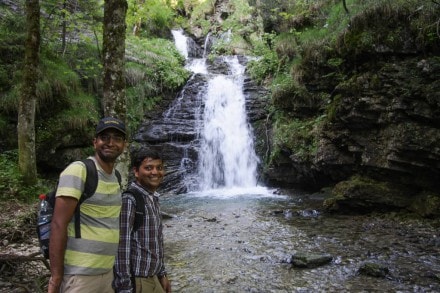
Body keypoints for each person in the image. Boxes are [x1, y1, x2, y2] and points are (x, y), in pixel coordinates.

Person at [48, 117, 127, 293]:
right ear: (95, 142)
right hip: (79, 277)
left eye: (117, 138)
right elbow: (58, 224)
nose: (110, 143)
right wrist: (56, 277)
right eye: (105, 137)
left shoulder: (116, 178)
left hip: (107, 274)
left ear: (124, 145)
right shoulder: (79, 170)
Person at [113, 149, 171, 293]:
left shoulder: (153, 198)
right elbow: (122, 245)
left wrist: (162, 274)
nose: (155, 172)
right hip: (138, 280)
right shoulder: (130, 199)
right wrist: (125, 286)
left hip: (154, 276)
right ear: (136, 171)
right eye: (148, 168)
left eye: (159, 168)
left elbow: (156, 241)